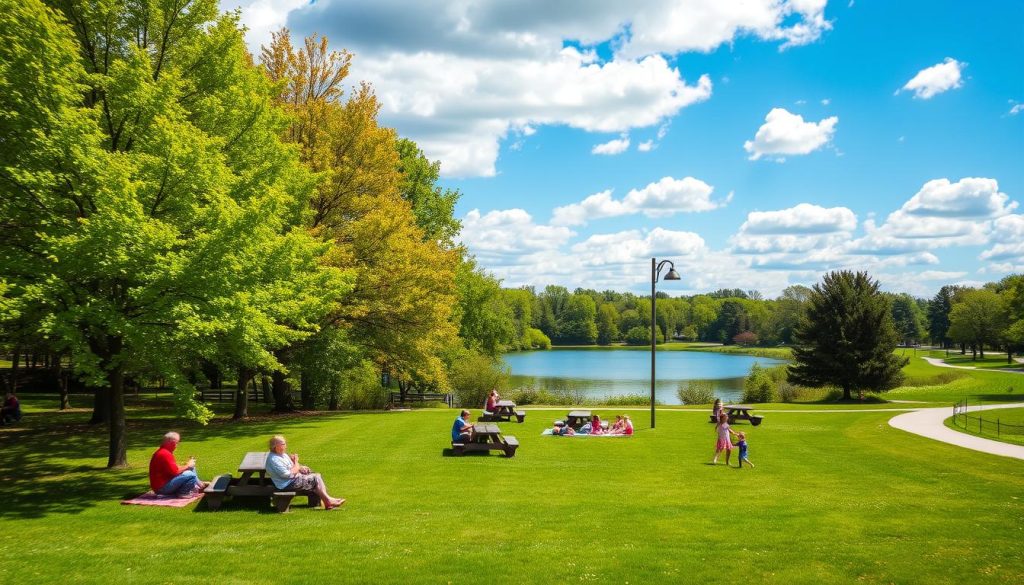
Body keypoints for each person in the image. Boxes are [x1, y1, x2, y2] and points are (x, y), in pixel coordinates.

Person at [265, 435, 345, 510]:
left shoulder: (282, 455)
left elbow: (292, 467)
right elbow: (289, 475)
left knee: (313, 475)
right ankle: (328, 501)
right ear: (275, 446)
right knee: (316, 478)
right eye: (283, 444)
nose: (286, 446)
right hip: (287, 484)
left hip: (292, 480)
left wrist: (300, 467)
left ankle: (328, 501)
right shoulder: (274, 459)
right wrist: (296, 462)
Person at [148, 432, 208, 496]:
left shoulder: (163, 451)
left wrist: (189, 466)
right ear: (171, 442)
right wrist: (188, 465)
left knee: (191, 468)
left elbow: (172, 469)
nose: (177, 445)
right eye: (177, 442)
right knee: (191, 474)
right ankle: (183, 493)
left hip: (161, 486)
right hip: (162, 489)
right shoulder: (165, 454)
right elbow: (175, 472)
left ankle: (201, 485)